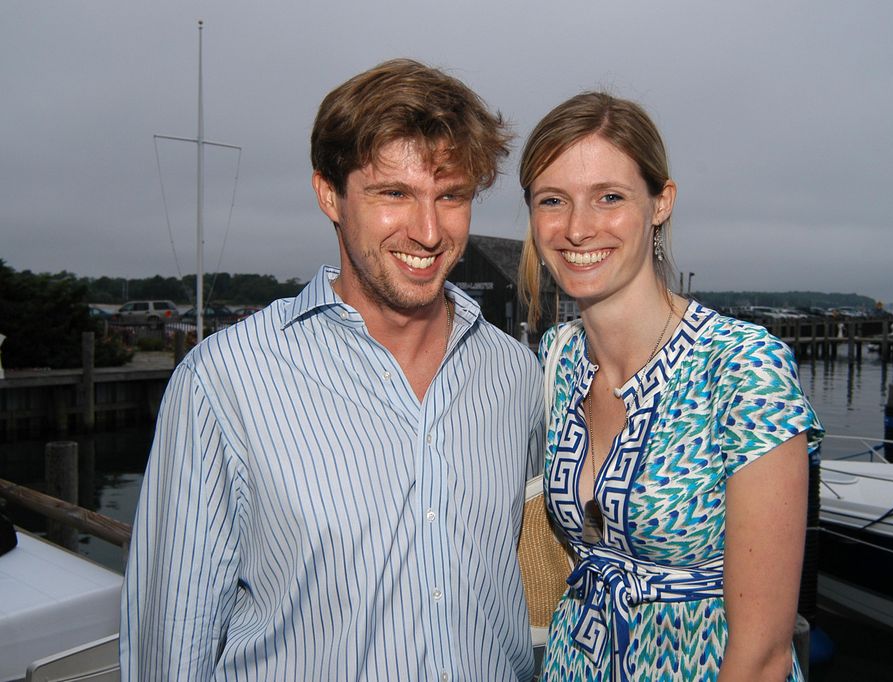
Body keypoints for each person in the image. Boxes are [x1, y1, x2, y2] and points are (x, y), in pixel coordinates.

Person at [121, 59, 545, 681]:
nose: (429, 231)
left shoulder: (514, 376)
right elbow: (169, 644)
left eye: (450, 196)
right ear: (329, 195)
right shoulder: (225, 382)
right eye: (394, 193)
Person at [518, 92, 823, 681]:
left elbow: (761, 656)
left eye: (610, 197)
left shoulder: (741, 369)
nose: (579, 228)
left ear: (661, 203)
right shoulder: (555, 362)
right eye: (554, 201)